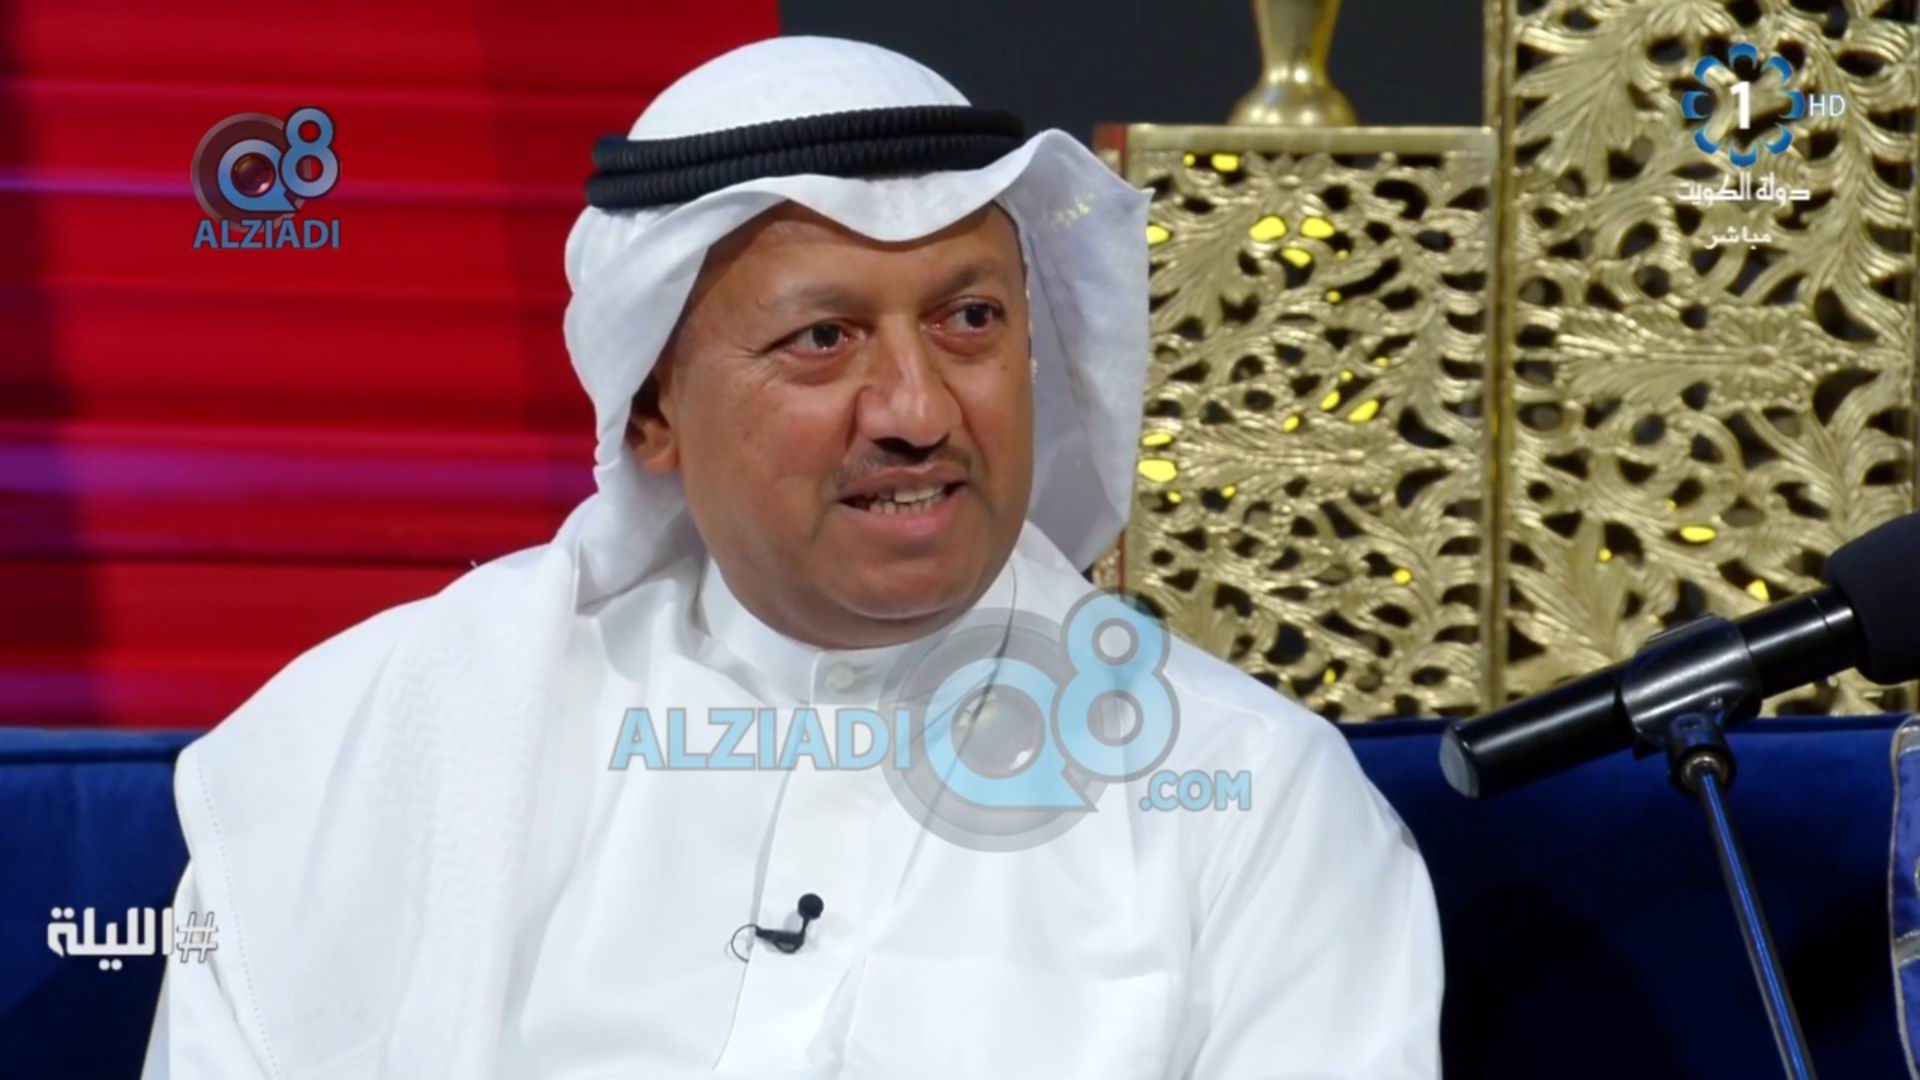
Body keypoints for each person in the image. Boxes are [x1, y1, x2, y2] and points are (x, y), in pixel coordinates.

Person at [142, 35, 1441, 1080]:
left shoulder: (1250, 805)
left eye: (970, 319)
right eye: (823, 340)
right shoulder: (378, 745)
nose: (917, 409)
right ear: (651, 410)